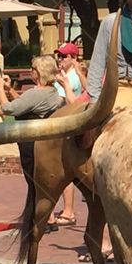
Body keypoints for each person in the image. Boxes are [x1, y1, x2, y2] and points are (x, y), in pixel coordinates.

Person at [0, 56, 65, 233]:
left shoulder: (36, 93)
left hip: (30, 145)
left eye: (33, 68)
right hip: (44, 143)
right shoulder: (52, 92)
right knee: (40, 184)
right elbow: (26, 105)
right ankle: (47, 218)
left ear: (39, 72)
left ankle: (40, 221)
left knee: (33, 182)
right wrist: (10, 89)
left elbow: (9, 108)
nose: (30, 71)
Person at [51, 41, 87, 226]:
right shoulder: (67, 75)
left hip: (68, 121)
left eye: (64, 56)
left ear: (74, 58)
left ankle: (68, 210)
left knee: (65, 170)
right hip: (63, 120)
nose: (60, 60)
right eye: (59, 56)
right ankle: (66, 210)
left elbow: (66, 101)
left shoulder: (72, 77)